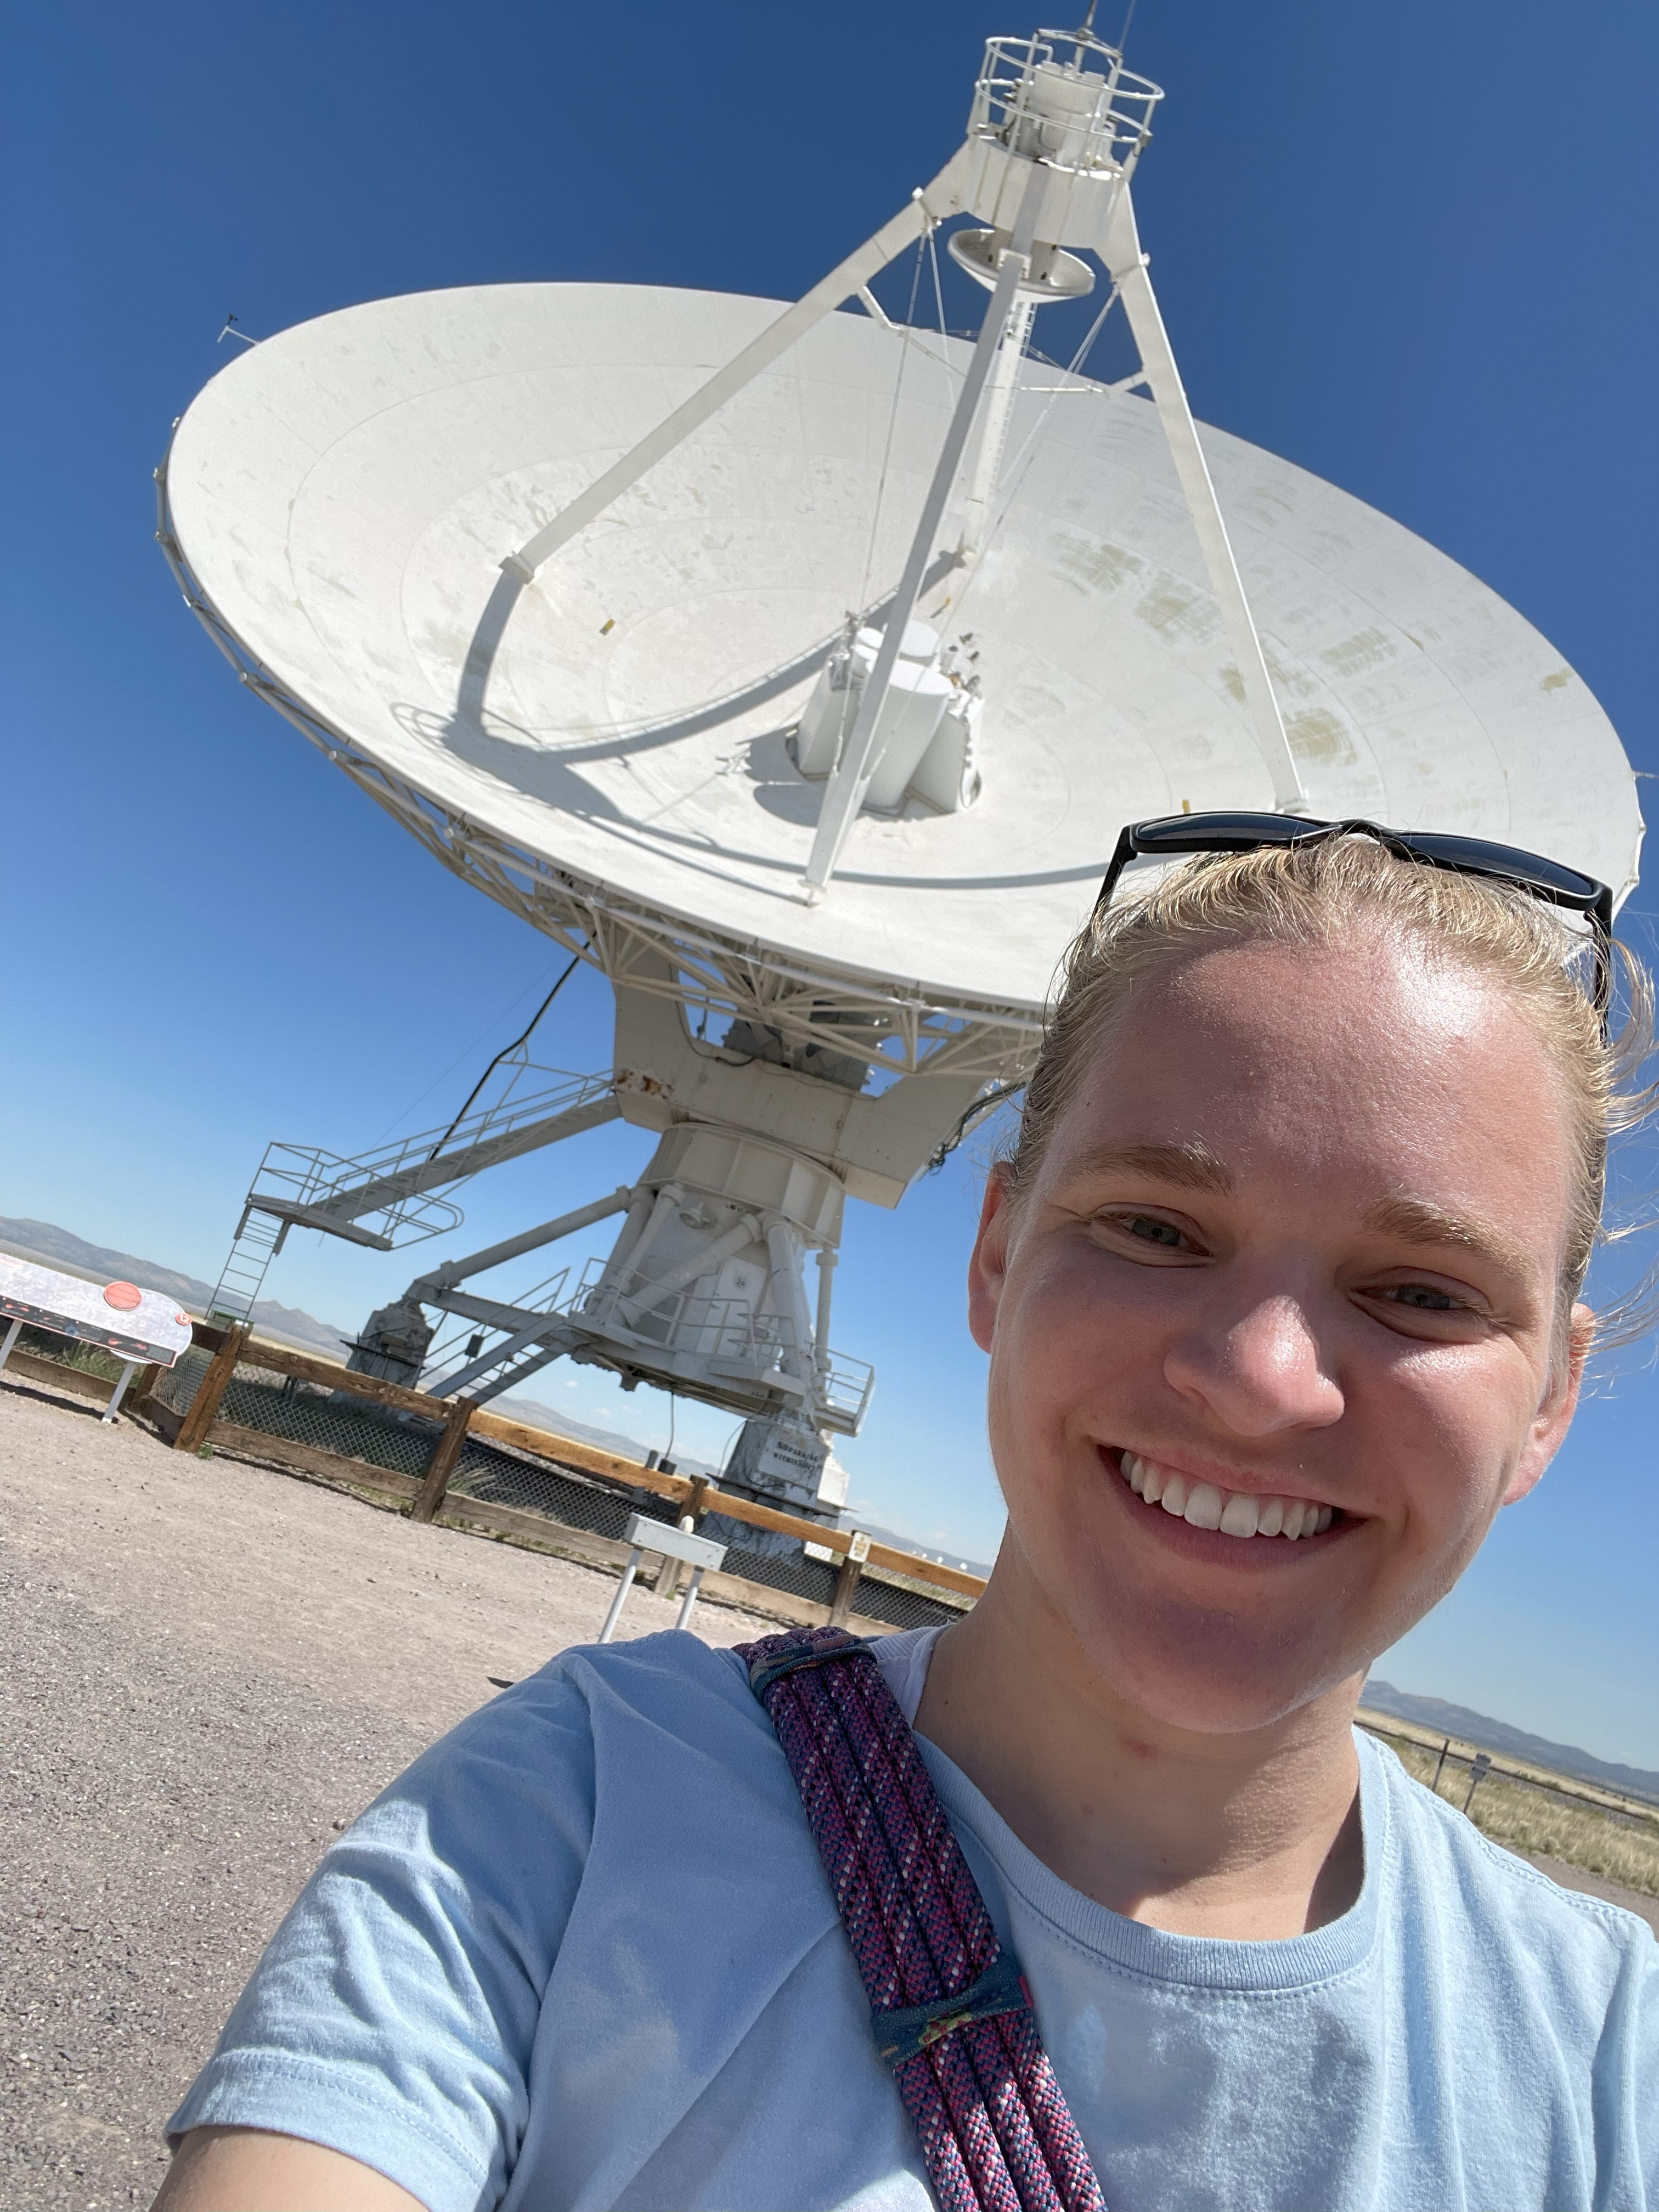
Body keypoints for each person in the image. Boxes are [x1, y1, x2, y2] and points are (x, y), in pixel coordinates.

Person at [155, 823, 1658, 2212]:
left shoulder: (1605, 2059)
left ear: (1551, 1402)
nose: (1260, 1381)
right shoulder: (570, 1812)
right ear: (997, 1253)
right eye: (1154, 1228)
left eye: (1423, 1292)